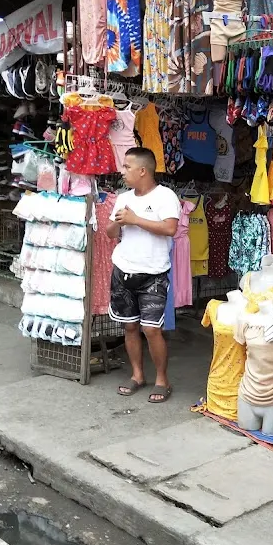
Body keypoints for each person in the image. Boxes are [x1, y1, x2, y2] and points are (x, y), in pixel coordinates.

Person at [107, 147, 180, 401]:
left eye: (127, 167)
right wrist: (119, 221)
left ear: (142, 170)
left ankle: (162, 379)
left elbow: (170, 228)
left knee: (151, 330)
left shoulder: (166, 197)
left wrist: (136, 219)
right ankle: (137, 375)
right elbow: (110, 233)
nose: (122, 171)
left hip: (153, 274)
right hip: (123, 270)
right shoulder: (123, 198)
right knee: (129, 327)